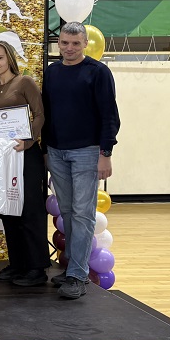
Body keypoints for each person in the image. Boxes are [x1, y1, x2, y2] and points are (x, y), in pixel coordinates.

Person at [42, 21, 120, 299]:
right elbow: (47, 113)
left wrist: (105, 153)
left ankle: (77, 274)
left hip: (87, 152)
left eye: (76, 43)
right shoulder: (52, 72)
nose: (69, 48)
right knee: (68, 212)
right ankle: (75, 269)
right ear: (58, 43)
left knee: (83, 213)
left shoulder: (98, 72)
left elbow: (109, 115)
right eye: (64, 42)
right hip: (57, 152)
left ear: (85, 43)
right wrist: (46, 150)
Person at [0, 40, 49, 286]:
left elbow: (40, 114)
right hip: (4, 155)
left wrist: (28, 142)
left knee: (30, 209)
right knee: (8, 209)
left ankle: (37, 268)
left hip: (26, 154)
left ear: (10, 58)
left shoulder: (24, 82)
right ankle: (18, 263)